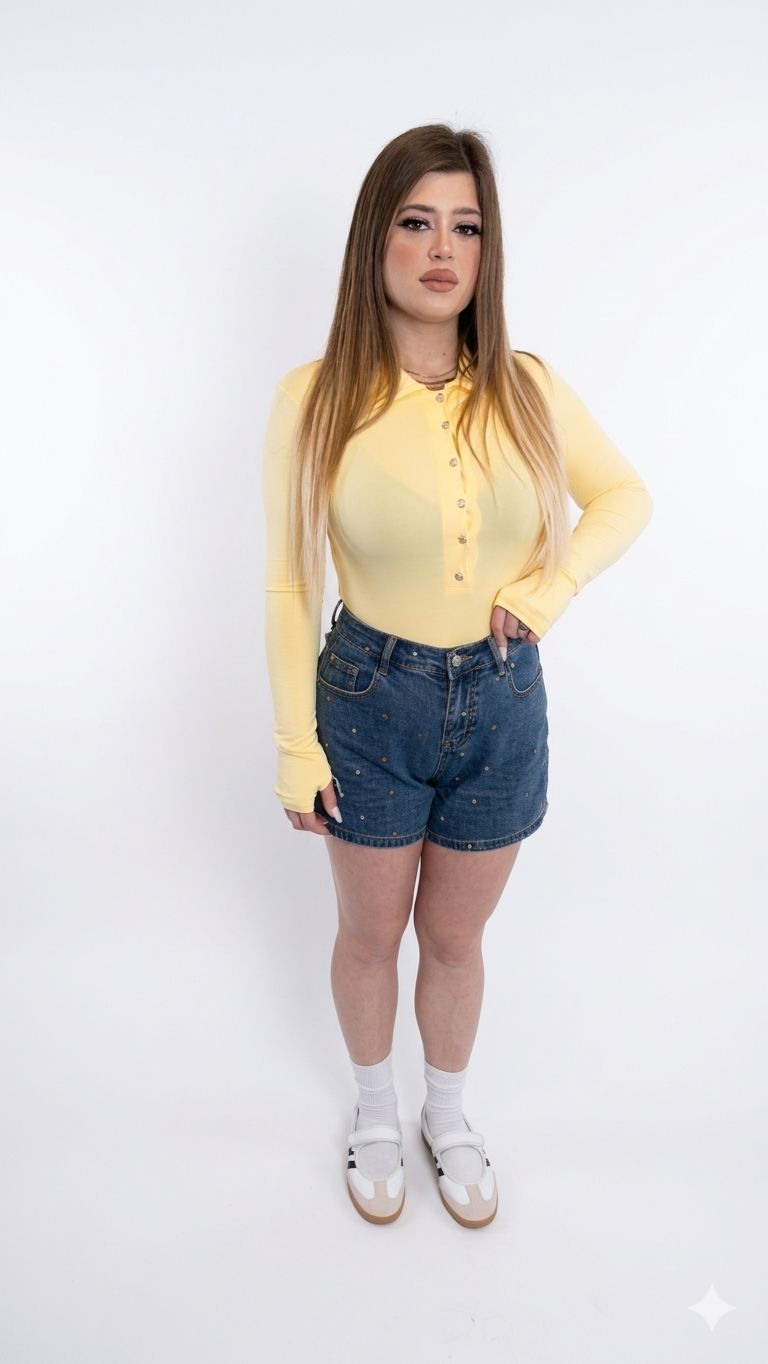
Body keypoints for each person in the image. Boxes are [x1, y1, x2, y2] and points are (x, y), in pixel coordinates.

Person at [261, 124, 653, 1229]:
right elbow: (289, 582)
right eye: (417, 221)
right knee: (369, 935)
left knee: (454, 938)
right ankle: (374, 1112)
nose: (444, 249)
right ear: (374, 240)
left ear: (489, 250)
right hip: (366, 701)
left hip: (502, 701)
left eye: (467, 227)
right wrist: (294, 745)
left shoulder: (527, 387)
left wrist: (547, 592)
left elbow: (624, 496)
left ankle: (447, 1112)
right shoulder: (315, 397)